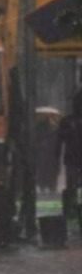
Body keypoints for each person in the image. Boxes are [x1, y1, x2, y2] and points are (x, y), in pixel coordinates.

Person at [57, 91, 82, 231]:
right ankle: (70, 211)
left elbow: (59, 141)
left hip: (72, 159)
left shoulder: (67, 121)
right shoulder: (67, 121)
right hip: (72, 159)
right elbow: (60, 140)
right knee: (72, 187)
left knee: (72, 188)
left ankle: (70, 211)